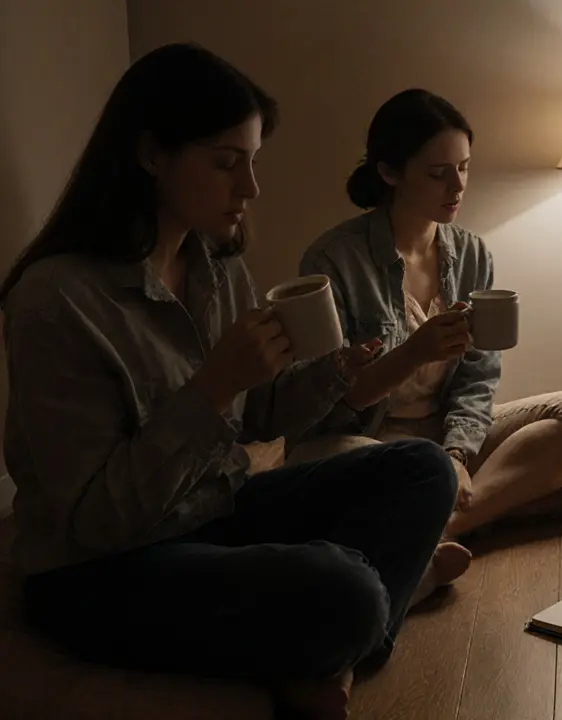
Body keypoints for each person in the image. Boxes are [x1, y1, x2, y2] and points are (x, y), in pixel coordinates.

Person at [0, 44, 458, 720]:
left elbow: (264, 415)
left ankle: (335, 652)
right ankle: (373, 612)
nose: (251, 188)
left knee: (424, 471)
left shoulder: (214, 265)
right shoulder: (56, 300)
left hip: (213, 514)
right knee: (347, 589)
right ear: (152, 155)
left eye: (252, 161)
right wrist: (211, 389)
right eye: (226, 163)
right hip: (100, 571)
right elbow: (96, 522)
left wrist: (337, 373)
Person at [291, 89, 562, 580]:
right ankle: (501, 506)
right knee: (357, 471)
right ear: (389, 172)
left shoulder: (471, 254)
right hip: (362, 442)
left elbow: (479, 377)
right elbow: (331, 405)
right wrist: (412, 354)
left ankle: (445, 526)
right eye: (438, 173)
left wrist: (458, 452)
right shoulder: (333, 261)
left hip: (442, 434)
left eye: (463, 167)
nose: (456, 186)